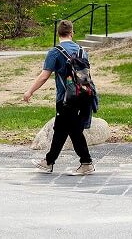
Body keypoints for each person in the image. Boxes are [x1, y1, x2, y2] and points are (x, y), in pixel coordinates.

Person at [22, 20, 96, 176]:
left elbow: (44, 76)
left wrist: (30, 91)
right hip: (84, 96)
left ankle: (86, 163)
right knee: (62, 130)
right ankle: (48, 162)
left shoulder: (55, 52)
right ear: (72, 32)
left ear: (58, 34)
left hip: (66, 99)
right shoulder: (82, 51)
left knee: (73, 131)